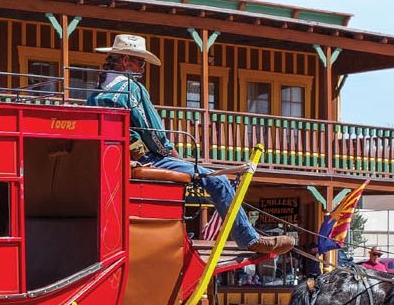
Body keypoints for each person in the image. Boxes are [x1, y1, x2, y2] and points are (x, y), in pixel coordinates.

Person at [87, 34, 293, 258]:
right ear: (126, 60)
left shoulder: (96, 93)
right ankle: (249, 238)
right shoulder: (131, 88)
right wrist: (176, 157)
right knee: (219, 180)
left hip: (113, 161)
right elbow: (154, 135)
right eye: (140, 61)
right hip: (146, 159)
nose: (143, 67)